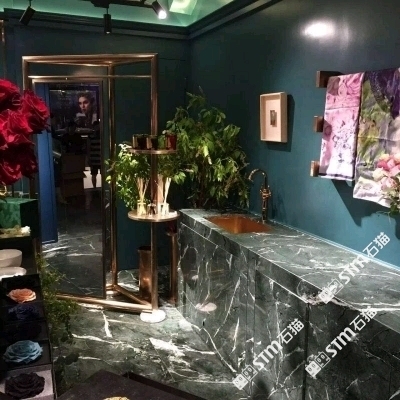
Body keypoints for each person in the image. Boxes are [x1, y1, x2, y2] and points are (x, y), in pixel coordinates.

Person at [89, 120, 101, 188]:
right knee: (94, 174)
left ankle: (96, 188)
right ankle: (94, 187)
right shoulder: (91, 136)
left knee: (96, 174)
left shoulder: (102, 136)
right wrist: (89, 159)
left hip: (99, 157)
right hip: (94, 158)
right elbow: (88, 148)